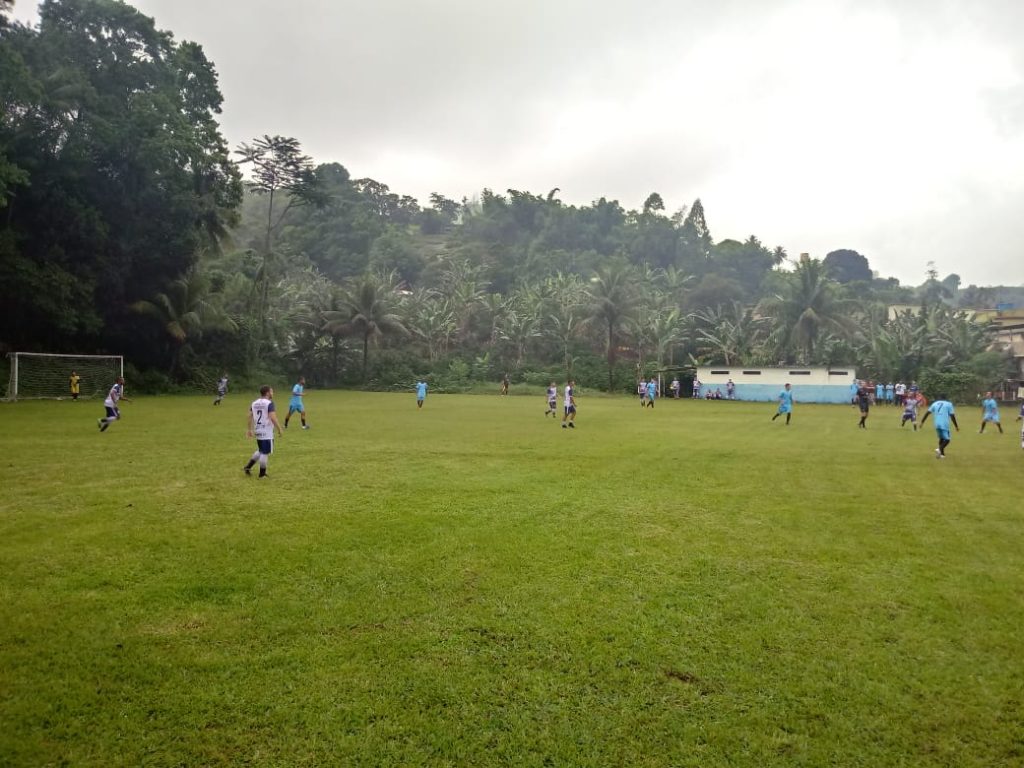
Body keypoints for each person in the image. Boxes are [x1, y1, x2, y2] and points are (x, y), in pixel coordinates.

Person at [244, 384, 283, 478]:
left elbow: (249, 416)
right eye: (271, 391)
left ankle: (248, 467)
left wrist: (249, 429)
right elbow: (273, 417)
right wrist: (279, 428)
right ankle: (262, 474)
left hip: (258, 430)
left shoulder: (254, 403)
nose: (272, 393)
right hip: (267, 431)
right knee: (265, 453)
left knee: (261, 450)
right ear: (267, 393)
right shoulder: (269, 403)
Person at [920, 393, 959, 459]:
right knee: (947, 439)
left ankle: (942, 455)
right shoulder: (949, 404)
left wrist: (922, 422)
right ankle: (939, 449)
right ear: (945, 398)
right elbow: (952, 415)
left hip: (936, 423)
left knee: (941, 438)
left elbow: (927, 413)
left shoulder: (935, 403)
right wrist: (956, 426)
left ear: (939, 398)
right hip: (944, 424)